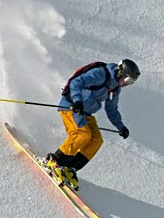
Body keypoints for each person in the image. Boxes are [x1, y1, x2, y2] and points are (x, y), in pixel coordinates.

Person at [45, 59, 140, 190]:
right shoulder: (101, 74)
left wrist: (121, 127)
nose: (127, 84)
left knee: (96, 140)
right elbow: (76, 83)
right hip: (71, 107)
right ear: (120, 73)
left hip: (85, 113)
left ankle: (70, 167)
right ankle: (55, 161)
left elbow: (111, 110)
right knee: (82, 135)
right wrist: (77, 101)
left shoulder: (115, 89)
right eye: (128, 80)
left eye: (131, 83)